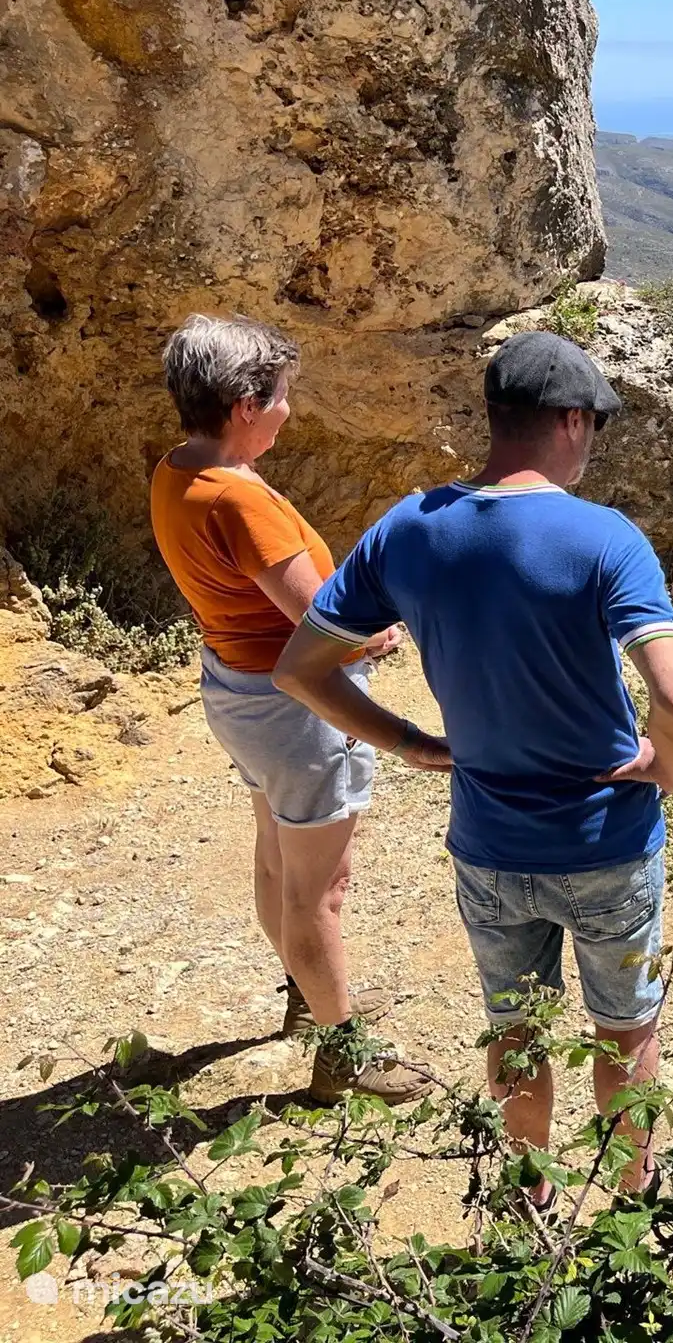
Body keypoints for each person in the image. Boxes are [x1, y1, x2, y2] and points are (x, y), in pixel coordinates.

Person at [274, 328, 673, 1198]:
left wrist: (406, 742)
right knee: (625, 1032)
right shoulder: (605, 539)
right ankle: (629, 1198)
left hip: (488, 841)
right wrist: (667, 766)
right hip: (606, 846)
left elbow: (298, 668)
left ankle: (526, 1196)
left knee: (515, 1033)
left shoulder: (409, 529)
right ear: (573, 421)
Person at [148, 314, 445, 1104]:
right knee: (322, 889)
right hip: (297, 711)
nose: (288, 410)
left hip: (236, 692)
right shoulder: (243, 503)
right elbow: (329, 636)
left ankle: (311, 1003)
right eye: (280, 396)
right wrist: (382, 631)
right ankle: (343, 1055)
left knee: (278, 856)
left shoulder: (177, 471)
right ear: (245, 402)